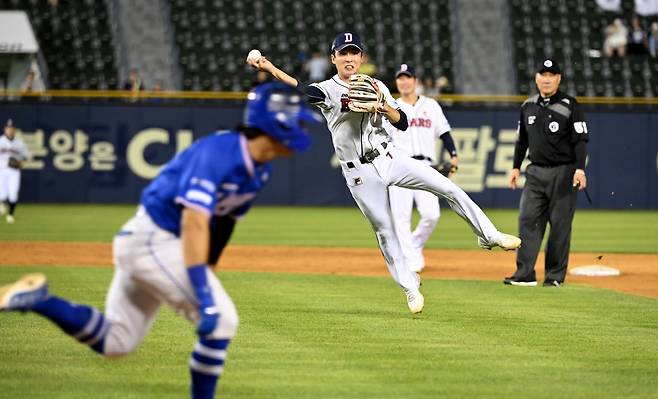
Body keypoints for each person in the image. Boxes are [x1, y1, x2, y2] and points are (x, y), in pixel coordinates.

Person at [0, 83, 317, 399]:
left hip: (154, 243)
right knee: (222, 320)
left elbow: (223, 225)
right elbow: (194, 223)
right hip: (154, 239)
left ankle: (39, 300)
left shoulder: (259, 170)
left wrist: (209, 271)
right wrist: (204, 294)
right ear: (273, 123)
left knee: (116, 342)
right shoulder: (221, 153)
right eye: (296, 120)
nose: (301, 128)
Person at [248, 31, 521, 314]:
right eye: (343, 53)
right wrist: (269, 68)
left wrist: (383, 105)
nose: (349, 58)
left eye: (354, 52)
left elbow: (402, 122)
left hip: (390, 156)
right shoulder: (329, 89)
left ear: (361, 58)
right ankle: (410, 287)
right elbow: (301, 88)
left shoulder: (376, 84)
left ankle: (488, 235)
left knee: (447, 187)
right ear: (334, 58)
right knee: (384, 229)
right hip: (359, 173)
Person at [506, 59, 589, 287]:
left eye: (552, 74)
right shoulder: (528, 106)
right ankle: (524, 274)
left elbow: (581, 141)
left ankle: (554, 276)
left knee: (560, 226)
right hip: (535, 173)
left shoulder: (570, 105)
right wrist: (515, 167)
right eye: (543, 74)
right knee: (527, 221)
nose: (547, 79)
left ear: (559, 79)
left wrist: (580, 169)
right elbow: (521, 141)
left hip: (564, 173)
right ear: (536, 78)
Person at [385, 64, 458, 274]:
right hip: (399, 165)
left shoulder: (431, 105)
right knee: (401, 217)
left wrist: (454, 155)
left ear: (415, 81)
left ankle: (413, 245)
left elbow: (444, 132)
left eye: (407, 77)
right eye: (400, 78)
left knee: (431, 214)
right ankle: (409, 258)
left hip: (426, 166)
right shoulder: (391, 107)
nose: (404, 81)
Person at [0, 119, 30, 224]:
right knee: (2, 194)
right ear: (5, 129)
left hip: (14, 171)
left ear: (14, 130)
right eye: (8, 128)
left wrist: (19, 162)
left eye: (11, 128)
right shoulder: (0, 141)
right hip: (1, 170)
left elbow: (27, 156)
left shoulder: (19, 144)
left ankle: (10, 215)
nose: (10, 130)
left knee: (13, 194)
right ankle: (2, 203)